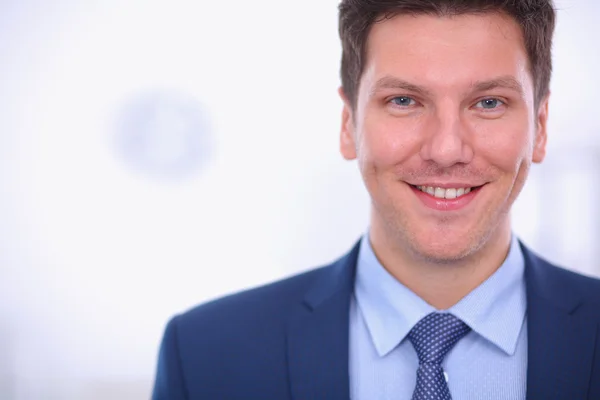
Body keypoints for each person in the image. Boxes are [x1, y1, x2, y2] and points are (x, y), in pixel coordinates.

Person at [151, 0, 600, 399]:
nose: (446, 150)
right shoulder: (204, 356)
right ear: (349, 125)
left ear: (540, 128)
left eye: (488, 103)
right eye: (404, 100)